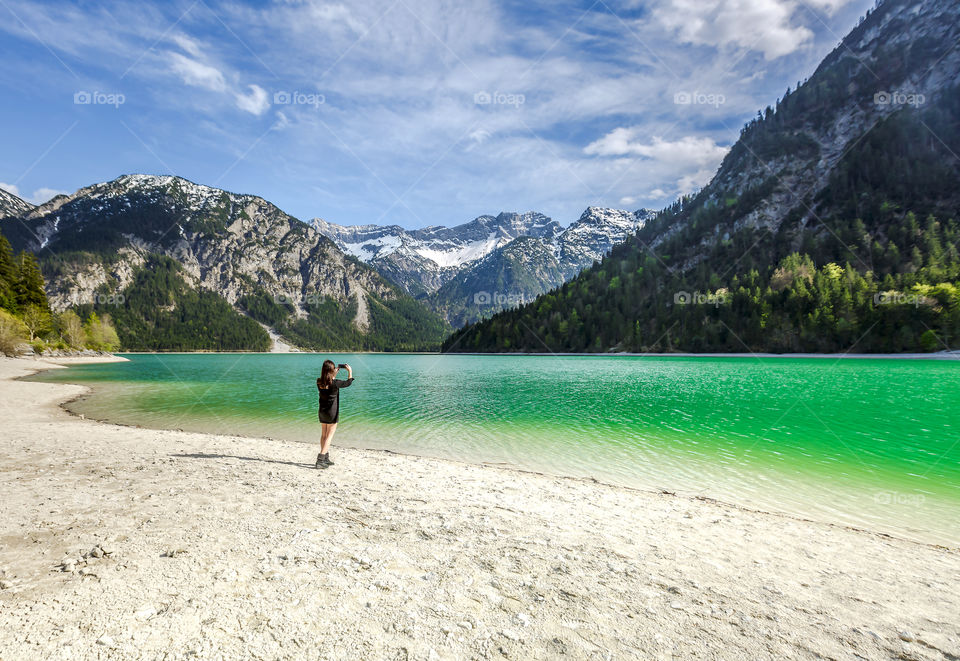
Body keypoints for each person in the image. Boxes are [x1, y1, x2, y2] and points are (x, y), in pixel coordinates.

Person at [315, 360, 354, 469]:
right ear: (331, 371)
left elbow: (328, 382)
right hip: (332, 413)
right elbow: (348, 382)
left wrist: (333, 375)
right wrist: (350, 371)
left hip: (322, 412)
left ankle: (325, 458)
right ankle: (321, 459)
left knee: (324, 435)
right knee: (329, 436)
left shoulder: (319, 382)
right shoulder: (335, 383)